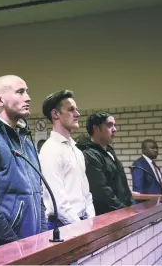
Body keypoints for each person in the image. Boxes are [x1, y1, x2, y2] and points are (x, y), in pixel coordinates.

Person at [0, 75, 47, 248]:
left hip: (33, 245)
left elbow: (38, 193)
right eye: (20, 92)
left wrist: (41, 237)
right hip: (6, 248)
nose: (28, 97)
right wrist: (14, 245)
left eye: (27, 92)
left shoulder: (25, 138)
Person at [39, 90, 95, 229]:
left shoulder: (76, 150)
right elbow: (58, 202)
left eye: (76, 109)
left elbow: (86, 194)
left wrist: (91, 222)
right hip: (62, 225)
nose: (77, 114)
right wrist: (81, 227)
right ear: (55, 114)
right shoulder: (50, 149)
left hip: (81, 222)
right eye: (71, 110)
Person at [77, 112, 135, 215]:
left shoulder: (109, 152)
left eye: (114, 125)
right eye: (109, 125)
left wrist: (132, 206)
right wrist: (124, 211)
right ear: (96, 128)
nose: (114, 129)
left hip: (121, 214)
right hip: (107, 217)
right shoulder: (89, 154)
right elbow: (102, 193)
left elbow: (124, 186)